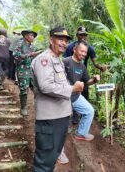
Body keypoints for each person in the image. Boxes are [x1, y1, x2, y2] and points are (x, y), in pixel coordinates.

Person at [31, 27, 84, 171]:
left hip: (59, 117)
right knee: (44, 160)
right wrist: (72, 88)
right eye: (60, 39)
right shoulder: (44, 59)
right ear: (51, 40)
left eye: (66, 40)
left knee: (52, 156)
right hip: (50, 119)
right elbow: (45, 86)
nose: (64, 43)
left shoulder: (57, 60)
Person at [64, 26, 106, 125]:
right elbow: (65, 62)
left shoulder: (89, 48)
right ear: (77, 35)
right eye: (81, 34)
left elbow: (95, 62)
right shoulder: (71, 47)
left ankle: (84, 116)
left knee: (84, 92)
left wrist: (101, 67)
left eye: (84, 35)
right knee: (72, 94)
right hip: (71, 74)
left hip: (83, 72)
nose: (83, 36)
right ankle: (74, 117)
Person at [63, 41, 100, 141]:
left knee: (89, 111)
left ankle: (81, 133)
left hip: (76, 96)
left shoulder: (82, 67)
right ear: (75, 50)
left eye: (85, 52)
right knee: (63, 124)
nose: (84, 54)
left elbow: (87, 81)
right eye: (81, 51)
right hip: (63, 97)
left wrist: (95, 79)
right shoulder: (65, 62)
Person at [14, 29, 40, 116]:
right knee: (24, 89)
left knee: (36, 88)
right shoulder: (20, 44)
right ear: (25, 36)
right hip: (22, 70)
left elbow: (35, 59)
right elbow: (16, 56)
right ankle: (23, 107)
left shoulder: (33, 46)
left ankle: (39, 107)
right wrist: (29, 55)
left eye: (33, 36)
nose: (32, 37)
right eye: (30, 35)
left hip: (31, 70)